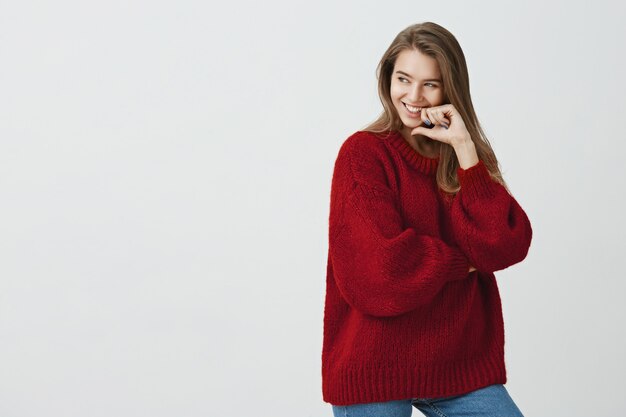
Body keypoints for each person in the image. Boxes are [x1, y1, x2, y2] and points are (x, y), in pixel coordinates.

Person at [321, 22, 533, 417]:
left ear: (450, 88)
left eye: (430, 84)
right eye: (403, 79)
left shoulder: (465, 158)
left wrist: (466, 149)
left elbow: (505, 244)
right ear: (388, 79)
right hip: (375, 367)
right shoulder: (363, 155)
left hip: (459, 366)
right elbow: (378, 270)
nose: (413, 97)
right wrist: (462, 261)